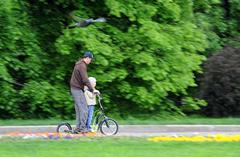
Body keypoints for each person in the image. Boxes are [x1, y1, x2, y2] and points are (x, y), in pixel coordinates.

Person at [70, 51, 94, 133]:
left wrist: (86, 87)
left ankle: (78, 128)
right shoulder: (82, 66)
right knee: (84, 109)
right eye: (90, 59)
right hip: (76, 89)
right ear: (87, 58)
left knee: (79, 109)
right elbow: (85, 79)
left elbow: (81, 79)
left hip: (76, 88)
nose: (90, 61)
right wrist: (92, 90)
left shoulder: (79, 64)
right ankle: (82, 128)